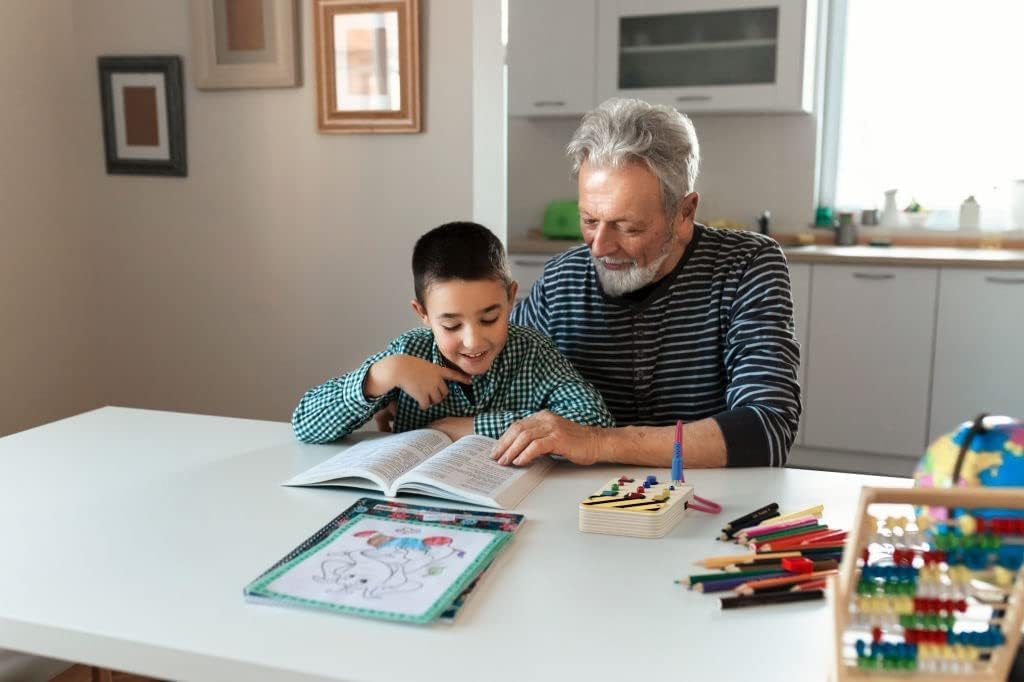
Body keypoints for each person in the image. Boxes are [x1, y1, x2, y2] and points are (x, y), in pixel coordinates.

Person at [493, 98, 800, 469]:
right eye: (590, 220)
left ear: (684, 213)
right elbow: (483, 362)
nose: (600, 246)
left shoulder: (746, 267)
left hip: (707, 502)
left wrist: (597, 442)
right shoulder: (562, 281)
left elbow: (767, 430)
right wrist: (410, 366)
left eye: (629, 226)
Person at [291, 221, 614, 444]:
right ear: (423, 314)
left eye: (489, 318)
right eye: (451, 325)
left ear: (510, 298)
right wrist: (381, 375)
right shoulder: (408, 354)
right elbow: (306, 424)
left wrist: (473, 428)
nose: (473, 341)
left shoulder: (534, 353)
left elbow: (594, 421)